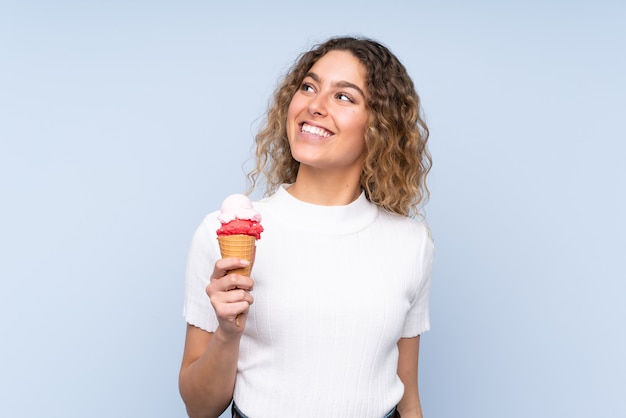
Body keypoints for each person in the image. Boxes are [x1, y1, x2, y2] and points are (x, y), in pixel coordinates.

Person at [179, 36, 434, 418]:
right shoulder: (221, 233)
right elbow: (200, 409)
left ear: (380, 125)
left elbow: (408, 396)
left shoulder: (411, 244)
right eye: (309, 87)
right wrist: (227, 334)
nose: (314, 106)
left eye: (344, 97)